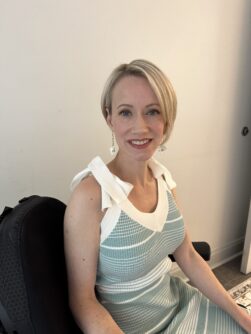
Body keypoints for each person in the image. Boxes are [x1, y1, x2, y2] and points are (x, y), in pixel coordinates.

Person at [64, 59, 251, 333]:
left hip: (181, 305)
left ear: (167, 119)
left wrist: (240, 315)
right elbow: (82, 301)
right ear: (109, 117)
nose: (140, 127)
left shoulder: (163, 179)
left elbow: (187, 255)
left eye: (152, 112)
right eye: (126, 113)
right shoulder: (91, 197)